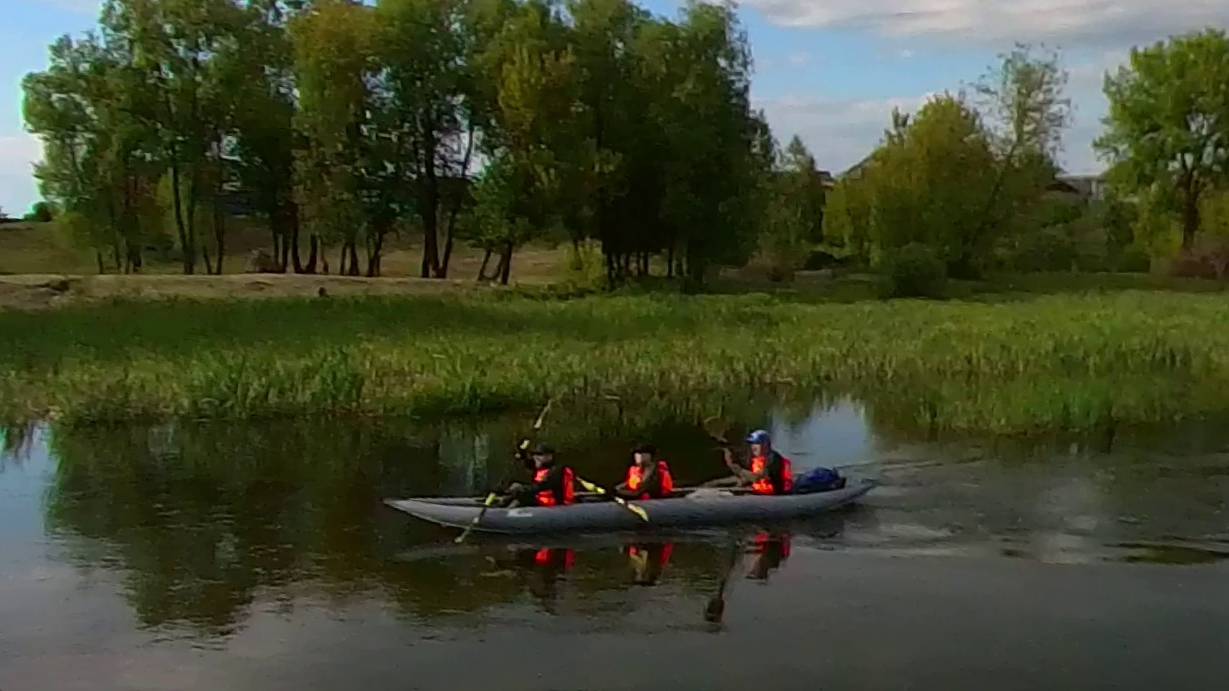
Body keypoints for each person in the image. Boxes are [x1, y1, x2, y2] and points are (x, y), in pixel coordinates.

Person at [709, 429, 793, 495]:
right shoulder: (758, 459)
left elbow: (757, 478)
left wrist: (736, 468)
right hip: (763, 492)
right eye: (752, 444)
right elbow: (747, 478)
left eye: (756, 443)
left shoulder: (773, 459)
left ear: (765, 445)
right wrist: (715, 483)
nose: (753, 447)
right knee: (714, 483)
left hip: (777, 493)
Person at [505, 443, 576, 508]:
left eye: (539, 454)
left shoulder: (557, 471)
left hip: (557, 505)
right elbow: (527, 461)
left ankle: (505, 516)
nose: (535, 457)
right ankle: (499, 509)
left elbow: (542, 486)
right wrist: (521, 451)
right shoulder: (541, 467)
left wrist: (521, 489)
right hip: (542, 502)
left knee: (520, 496)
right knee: (515, 492)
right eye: (534, 455)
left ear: (549, 456)